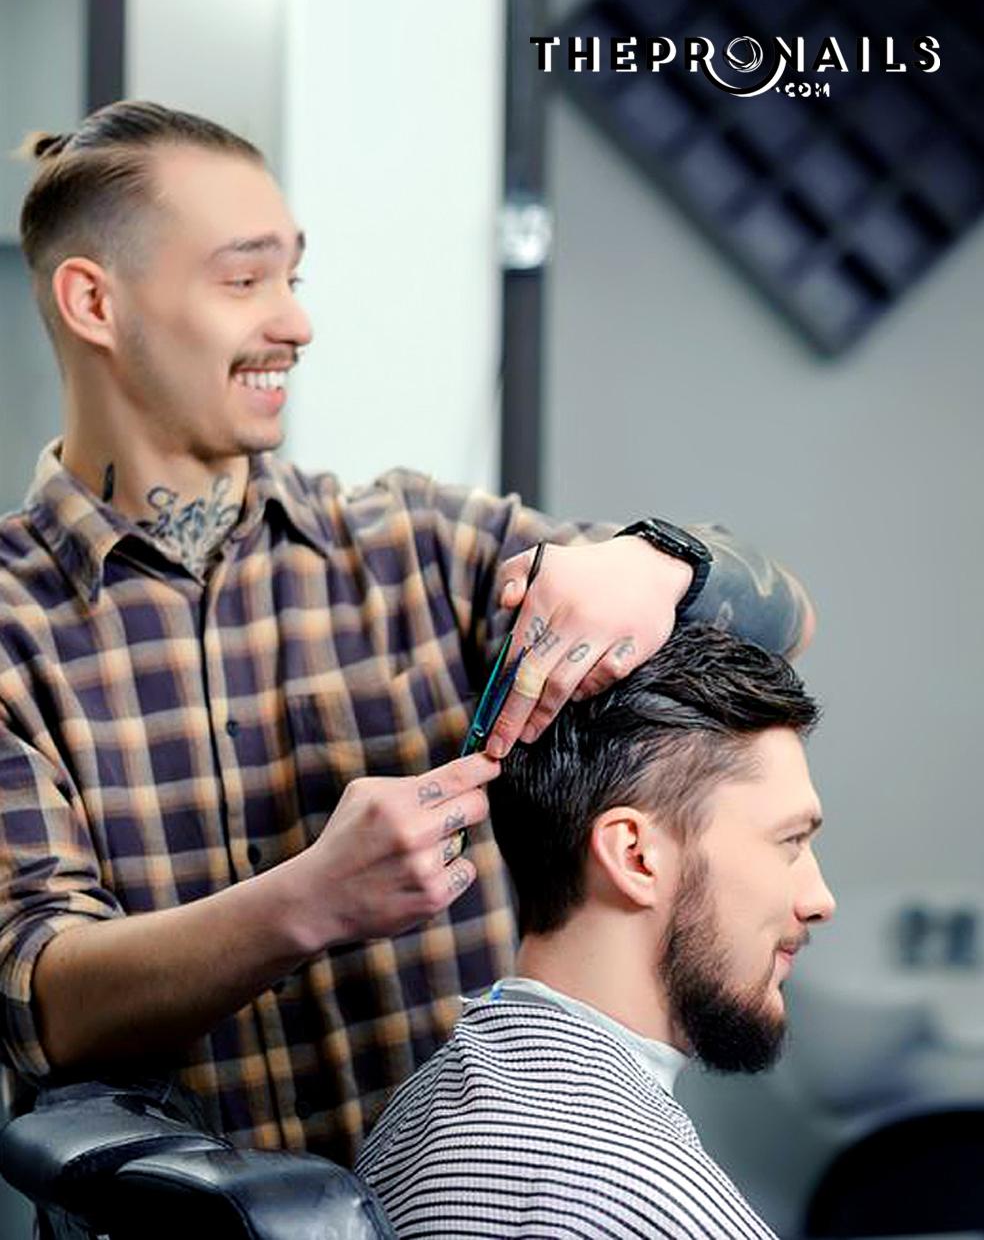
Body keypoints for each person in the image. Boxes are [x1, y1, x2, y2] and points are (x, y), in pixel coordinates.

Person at [0, 100, 815, 1168]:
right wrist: (306, 902)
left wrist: (654, 562)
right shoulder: (13, 629)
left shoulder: (420, 543)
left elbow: (783, 621)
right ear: (93, 301)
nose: (296, 324)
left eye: (295, 278)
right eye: (245, 281)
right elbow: (39, 1001)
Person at [356, 623, 835, 1238]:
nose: (820, 901)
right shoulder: (638, 1196)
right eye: (790, 842)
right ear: (635, 856)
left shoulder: (420, 1111)